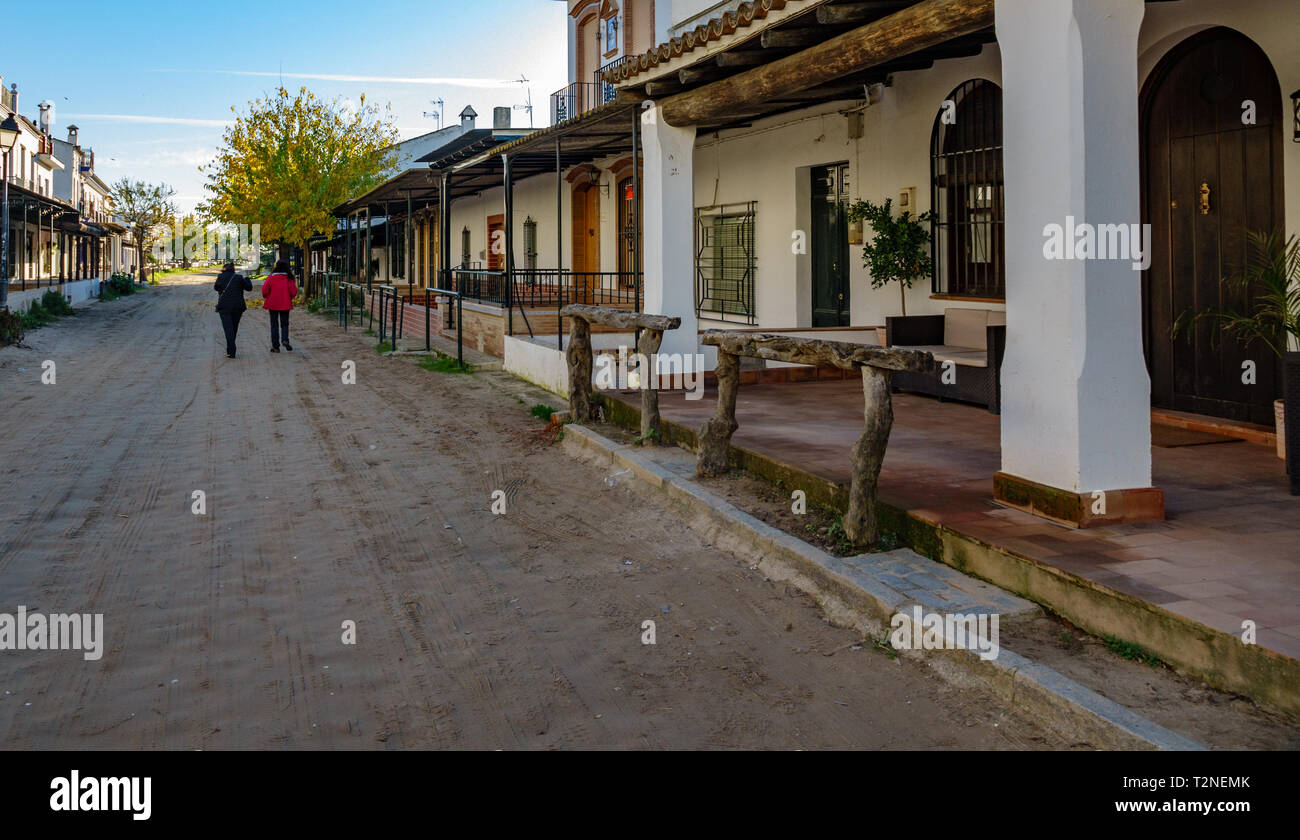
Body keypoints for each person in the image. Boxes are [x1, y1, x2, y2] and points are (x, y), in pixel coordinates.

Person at [214, 261, 252, 358]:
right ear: (233, 269)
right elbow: (249, 288)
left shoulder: (220, 277)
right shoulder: (238, 278)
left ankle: (231, 350)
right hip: (237, 307)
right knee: (234, 328)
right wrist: (247, 278)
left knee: (228, 328)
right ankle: (230, 349)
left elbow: (216, 288)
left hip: (224, 306)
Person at [261, 260, 298, 352]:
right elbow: (294, 292)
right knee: (285, 324)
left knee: (274, 325)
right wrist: (289, 298)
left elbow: (264, 291)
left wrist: (267, 296)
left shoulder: (271, 278)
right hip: (285, 303)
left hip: (272, 303)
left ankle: (275, 346)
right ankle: (285, 340)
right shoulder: (288, 278)